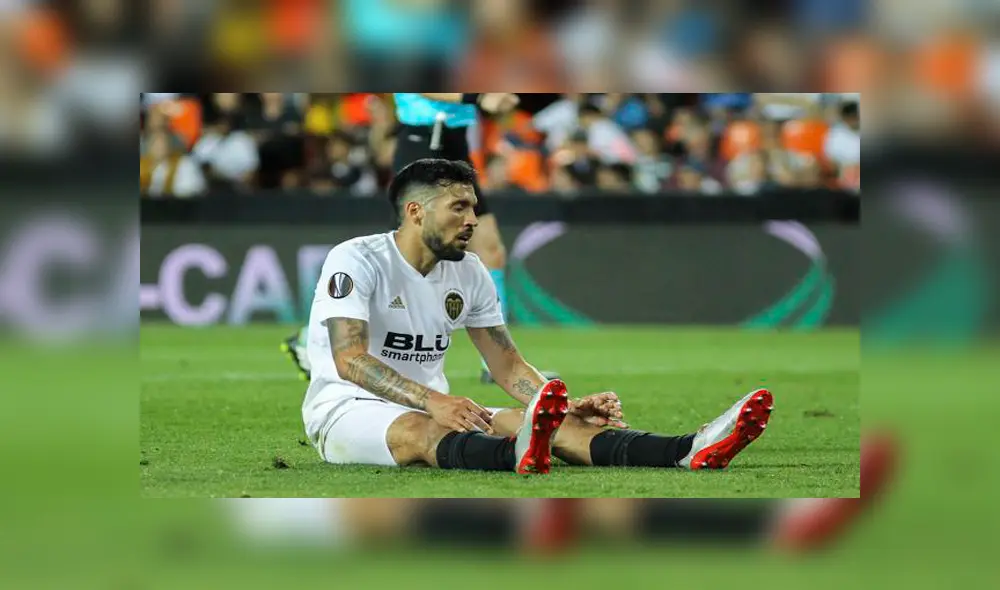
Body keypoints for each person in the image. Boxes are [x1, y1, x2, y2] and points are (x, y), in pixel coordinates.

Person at [301, 159, 773, 474]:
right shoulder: (358, 259)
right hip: (346, 412)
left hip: (440, 409)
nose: (472, 220)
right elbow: (351, 360)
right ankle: (519, 452)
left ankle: (688, 449)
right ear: (415, 211)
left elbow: (505, 365)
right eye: (459, 207)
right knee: (422, 433)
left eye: (475, 207)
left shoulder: (468, 271)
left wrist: (552, 406)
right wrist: (432, 401)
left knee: (570, 431)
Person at [283, 92, 558, 384]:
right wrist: (477, 97)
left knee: (491, 250)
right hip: (423, 140)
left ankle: (493, 363)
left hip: (456, 140)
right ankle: (309, 336)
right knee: (401, 254)